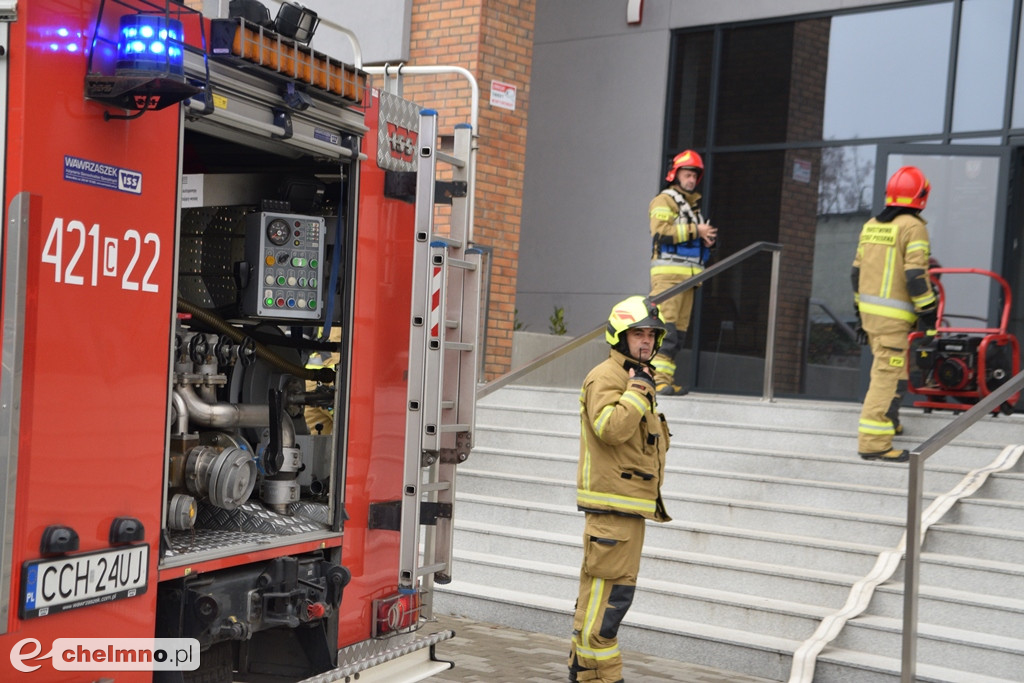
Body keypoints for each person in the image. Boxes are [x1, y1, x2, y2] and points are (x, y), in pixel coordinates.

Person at [567, 295, 672, 683]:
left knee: (600, 599)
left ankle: (585, 673)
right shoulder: (609, 377)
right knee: (608, 605)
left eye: (651, 334)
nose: (645, 341)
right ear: (619, 336)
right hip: (613, 510)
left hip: (626, 508)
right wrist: (638, 391)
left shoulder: (633, 376)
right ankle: (601, 677)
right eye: (637, 334)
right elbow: (610, 430)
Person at [852, 166, 938, 462]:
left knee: (895, 368)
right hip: (894, 319)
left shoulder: (872, 224)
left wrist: (857, 309)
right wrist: (928, 309)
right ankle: (874, 442)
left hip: (870, 316)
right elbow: (916, 275)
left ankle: (891, 420)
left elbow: (856, 272)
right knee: (886, 375)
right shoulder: (913, 227)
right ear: (921, 196)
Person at [648, 149, 718, 395]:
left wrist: (707, 241)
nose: (690, 180)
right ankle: (655, 381)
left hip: (688, 281)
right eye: (687, 174)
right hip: (668, 279)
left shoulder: (692, 208)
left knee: (678, 336)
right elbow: (660, 232)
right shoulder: (664, 200)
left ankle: (665, 380)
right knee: (665, 332)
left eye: (693, 176)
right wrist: (695, 231)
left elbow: (689, 238)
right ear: (675, 175)